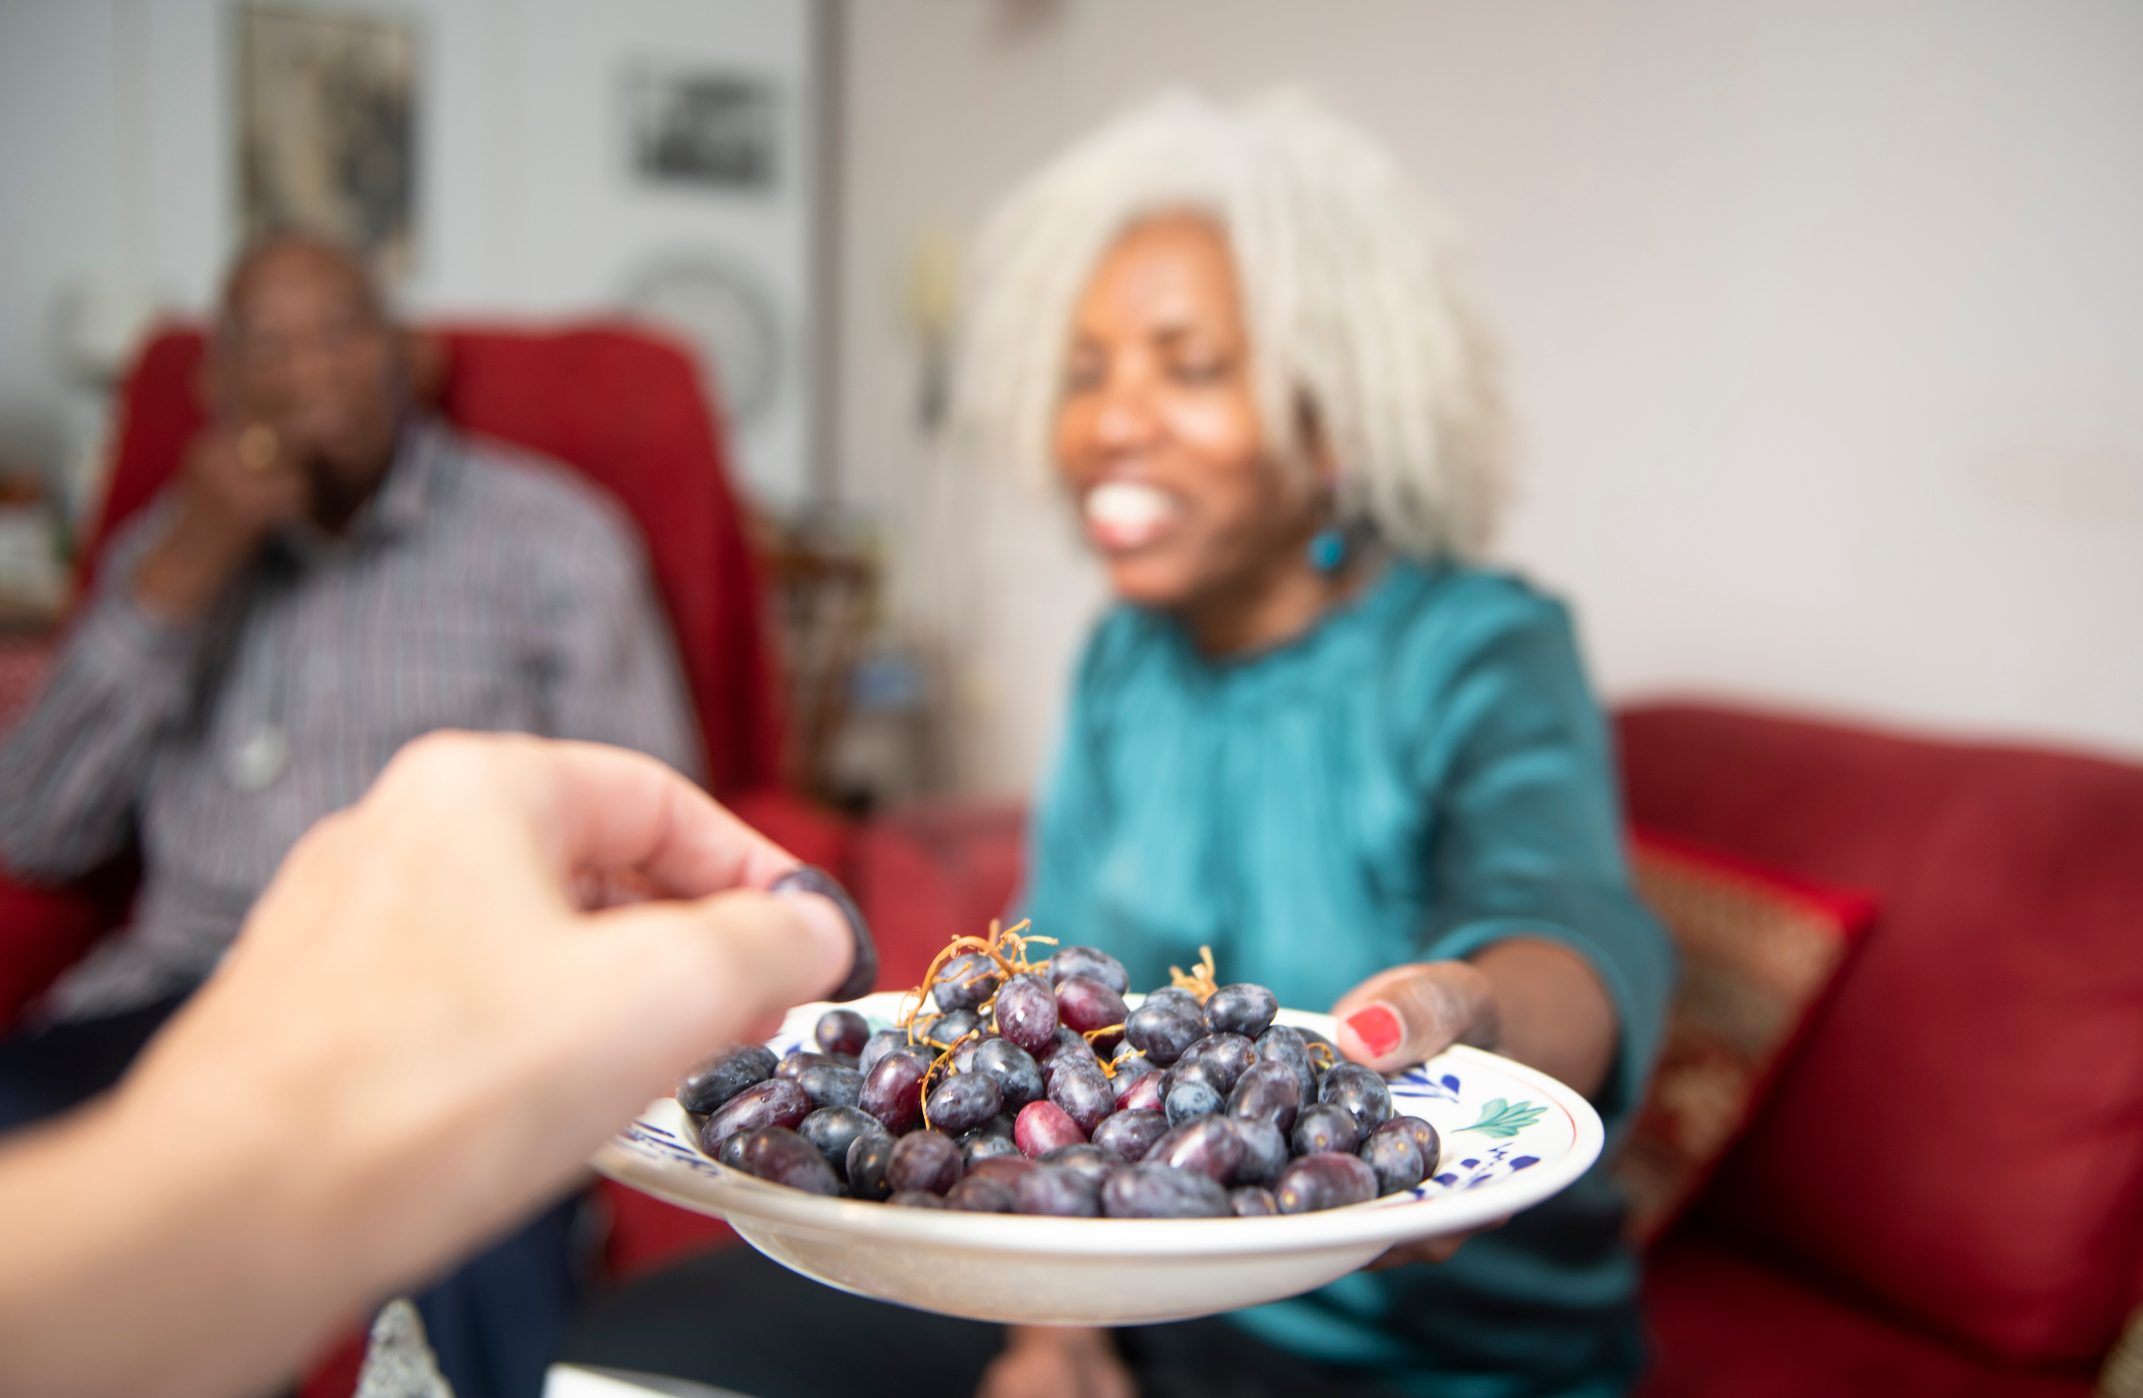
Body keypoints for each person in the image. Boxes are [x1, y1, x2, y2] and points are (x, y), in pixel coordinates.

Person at [955, 92, 1674, 1397]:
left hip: (1418, 1338)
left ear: (1331, 418)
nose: (1108, 421)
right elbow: (1047, 989)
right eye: (1083, 369)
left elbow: (1570, 934)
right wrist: (1049, 1327)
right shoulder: (1124, 659)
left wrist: (1480, 1010)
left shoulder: (1477, 645)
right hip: (1153, 1280)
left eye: (1186, 364)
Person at [0, 232, 700, 1394]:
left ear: (408, 359)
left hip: (439, 1002)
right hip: (186, 990)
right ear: (217, 389)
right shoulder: (167, 550)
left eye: (338, 332)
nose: (304, 372)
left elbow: (646, 808)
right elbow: (35, 827)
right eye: (264, 346)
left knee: (486, 1212)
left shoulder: (548, 539)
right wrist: (191, 563)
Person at [0, 732, 862, 1398]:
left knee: (493, 1243)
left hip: (504, 988)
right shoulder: (167, 571)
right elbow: (27, 818)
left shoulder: (561, 554)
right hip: (154, 984)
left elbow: (653, 840)